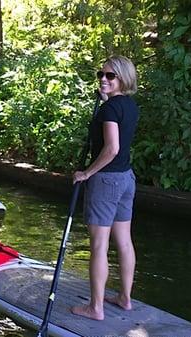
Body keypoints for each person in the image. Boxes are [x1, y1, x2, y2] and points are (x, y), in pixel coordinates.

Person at [71, 55, 139, 321]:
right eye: (101, 74)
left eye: (110, 76)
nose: (103, 79)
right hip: (126, 179)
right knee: (123, 241)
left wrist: (87, 173)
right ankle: (125, 298)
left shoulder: (109, 110)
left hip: (107, 180)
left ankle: (95, 308)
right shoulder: (130, 106)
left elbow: (112, 148)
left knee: (99, 245)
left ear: (122, 78)